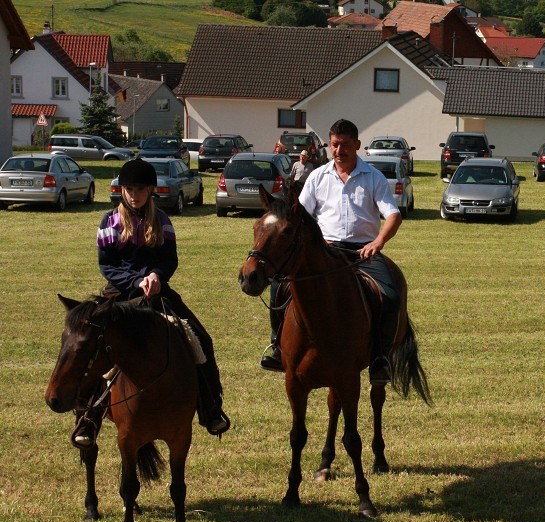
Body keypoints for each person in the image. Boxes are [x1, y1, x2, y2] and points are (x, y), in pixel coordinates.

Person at [72, 158, 230, 447]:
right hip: (119, 294)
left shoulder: (163, 221)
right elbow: (108, 265)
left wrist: (157, 275)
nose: (134, 195)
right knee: (91, 344)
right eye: (129, 189)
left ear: (151, 190)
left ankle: (210, 407)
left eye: (140, 189)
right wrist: (136, 281)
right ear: (121, 190)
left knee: (200, 338)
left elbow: (169, 258)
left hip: (158, 292)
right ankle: (88, 418)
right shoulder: (109, 221)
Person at [260, 119, 401, 384]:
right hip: (326, 251)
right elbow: (298, 215)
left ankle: (380, 358)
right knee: (278, 285)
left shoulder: (374, 177)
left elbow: (393, 215)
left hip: (363, 254)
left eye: (345, 145)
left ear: (357, 145)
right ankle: (277, 347)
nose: (339, 151)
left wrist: (378, 242)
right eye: (335, 145)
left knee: (390, 296)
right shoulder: (318, 176)